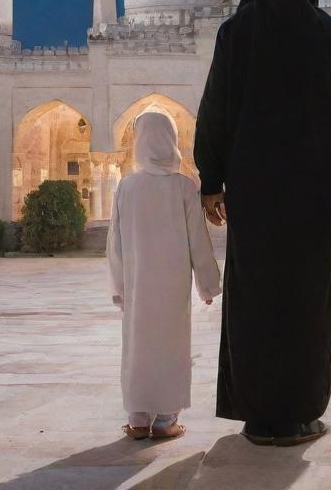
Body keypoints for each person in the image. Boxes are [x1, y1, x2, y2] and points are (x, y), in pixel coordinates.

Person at [194, 0, 331, 446]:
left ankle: (258, 413)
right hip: (311, 195)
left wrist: (211, 181)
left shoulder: (235, 34)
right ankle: (299, 413)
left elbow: (215, 112)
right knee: (306, 302)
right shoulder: (328, 35)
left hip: (253, 194)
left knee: (255, 299)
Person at [107, 111, 221, 441]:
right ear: (171, 141)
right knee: (171, 346)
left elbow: (114, 243)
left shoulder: (127, 187)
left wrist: (119, 287)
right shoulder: (185, 187)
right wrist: (207, 284)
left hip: (138, 285)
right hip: (172, 288)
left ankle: (138, 419)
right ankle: (166, 420)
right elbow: (198, 239)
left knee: (138, 346)